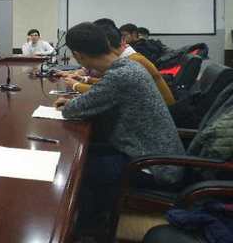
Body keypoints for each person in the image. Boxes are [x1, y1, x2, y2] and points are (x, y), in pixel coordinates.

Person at [54, 23, 184, 237]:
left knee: (73, 171)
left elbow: (72, 110)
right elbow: (93, 101)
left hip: (154, 166)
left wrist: (71, 103)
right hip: (154, 154)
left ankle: (88, 231)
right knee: (83, 155)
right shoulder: (128, 66)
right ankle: (94, 220)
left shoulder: (120, 75)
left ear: (78, 55)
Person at [64, 19, 175, 105]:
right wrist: (85, 79)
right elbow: (109, 86)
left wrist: (76, 85)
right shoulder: (128, 62)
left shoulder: (132, 64)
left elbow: (104, 92)